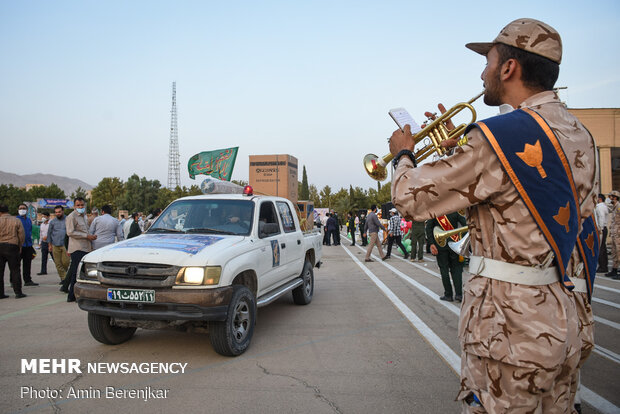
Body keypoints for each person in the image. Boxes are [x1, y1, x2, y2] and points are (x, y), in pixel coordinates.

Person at [389, 19, 597, 412]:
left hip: (510, 329)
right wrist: (464, 151)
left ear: (508, 68)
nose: (482, 73)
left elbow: (409, 199)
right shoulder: (578, 133)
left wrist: (404, 154)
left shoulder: (495, 137)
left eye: (487, 61)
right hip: (566, 316)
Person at [426, 212, 467, 301]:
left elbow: (428, 228)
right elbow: (466, 225)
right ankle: (459, 295)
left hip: (441, 245)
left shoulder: (435, 211)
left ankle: (448, 295)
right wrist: (461, 238)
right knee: (456, 270)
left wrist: (432, 243)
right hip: (455, 244)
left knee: (444, 269)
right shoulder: (455, 210)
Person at [62, 197, 96, 302]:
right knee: (76, 272)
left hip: (86, 247)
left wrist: (90, 237)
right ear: (74, 206)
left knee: (82, 272)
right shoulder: (71, 217)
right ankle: (72, 295)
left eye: (82, 205)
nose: (80, 207)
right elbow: (70, 232)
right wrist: (86, 236)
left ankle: (77, 294)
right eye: (78, 205)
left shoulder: (84, 216)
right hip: (77, 248)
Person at [0, 204, 27, 298]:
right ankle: (18, 292)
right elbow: (22, 235)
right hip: (12, 246)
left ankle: (1, 293)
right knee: (15, 270)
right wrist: (19, 245)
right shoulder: (16, 220)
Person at [16, 204, 39, 287]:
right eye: (20, 208)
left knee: (27, 264)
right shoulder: (16, 220)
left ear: (27, 209)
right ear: (18, 210)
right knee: (16, 265)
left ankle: (27, 280)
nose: (22, 210)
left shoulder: (29, 220)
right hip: (19, 246)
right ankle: (14, 281)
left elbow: (29, 232)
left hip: (28, 245)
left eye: (24, 208)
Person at [47, 205, 70, 283]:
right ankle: (64, 278)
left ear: (63, 211)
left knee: (65, 262)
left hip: (65, 245)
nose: (58, 214)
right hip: (55, 245)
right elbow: (49, 233)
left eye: (59, 212)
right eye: (56, 212)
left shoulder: (68, 220)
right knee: (58, 263)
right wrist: (49, 245)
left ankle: (65, 276)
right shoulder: (52, 222)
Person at [605, 191, 620, 279]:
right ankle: (614, 270)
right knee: (614, 252)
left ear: (615, 197)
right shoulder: (614, 207)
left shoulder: (619, 207)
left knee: (619, 252)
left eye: (611, 197)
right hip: (615, 234)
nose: (609, 198)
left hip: (618, 234)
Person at [595, 193, 610, 274]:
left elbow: (601, 217)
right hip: (603, 228)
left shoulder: (600, 207)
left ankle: (602, 266)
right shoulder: (603, 206)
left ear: (599, 199)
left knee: (600, 248)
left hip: (601, 229)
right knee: (602, 248)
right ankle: (604, 266)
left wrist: (600, 228)